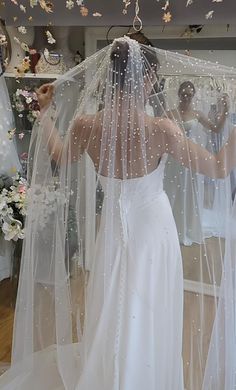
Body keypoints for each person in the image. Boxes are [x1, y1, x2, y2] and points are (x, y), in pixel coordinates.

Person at [0, 36, 236, 390]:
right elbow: (219, 168)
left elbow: (61, 156)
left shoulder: (85, 125)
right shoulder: (161, 129)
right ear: (150, 76)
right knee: (150, 308)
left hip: (111, 229)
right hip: (153, 232)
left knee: (113, 306)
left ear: (110, 74)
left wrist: (45, 113)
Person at [164, 81, 230, 244]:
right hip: (173, 159)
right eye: (184, 94)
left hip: (191, 157)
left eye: (190, 94)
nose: (186, 97)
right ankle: (171, 229)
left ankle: (189, 228)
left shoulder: (198, 114)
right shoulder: (169, 113)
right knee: (173, 191)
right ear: (179, 94)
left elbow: (215, 129)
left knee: (190, 191)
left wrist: (226, 112)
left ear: (193, 96)